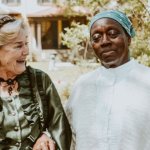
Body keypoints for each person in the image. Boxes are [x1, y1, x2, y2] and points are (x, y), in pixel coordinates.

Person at [66, 10, 150, 150]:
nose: (104, 42)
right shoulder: (82, 85)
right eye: (96, 37)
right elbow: (70, 136)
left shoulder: (146, 80)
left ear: (128, 38)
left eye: (112, 34)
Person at [0, 14, 72, 150]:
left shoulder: (40, 80)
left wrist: (46, 135)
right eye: (18, 46)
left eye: (26, 44)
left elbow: (60, 127)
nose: (26, 51)